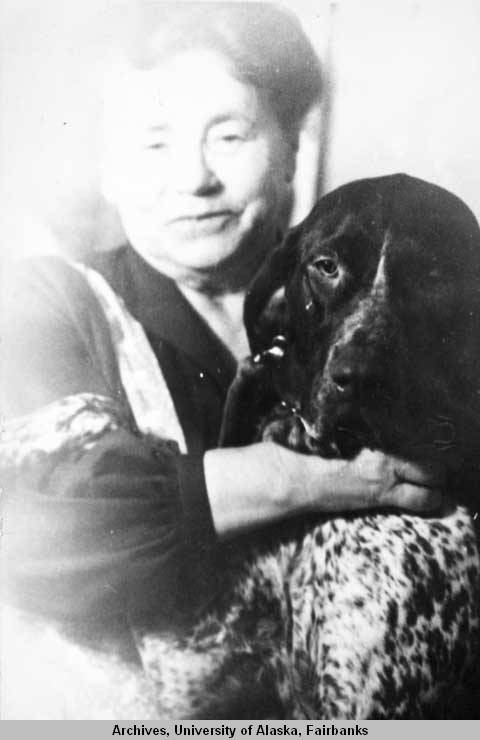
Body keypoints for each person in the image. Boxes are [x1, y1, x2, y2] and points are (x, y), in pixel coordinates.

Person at [1, 2, 442, 658]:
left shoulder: (387, 302)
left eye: (229, 136)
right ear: (107, 170)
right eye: (154, 144)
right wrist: (315, 480)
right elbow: (32, 530)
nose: (194, 179)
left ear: (293, 149)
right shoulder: (47, 306)